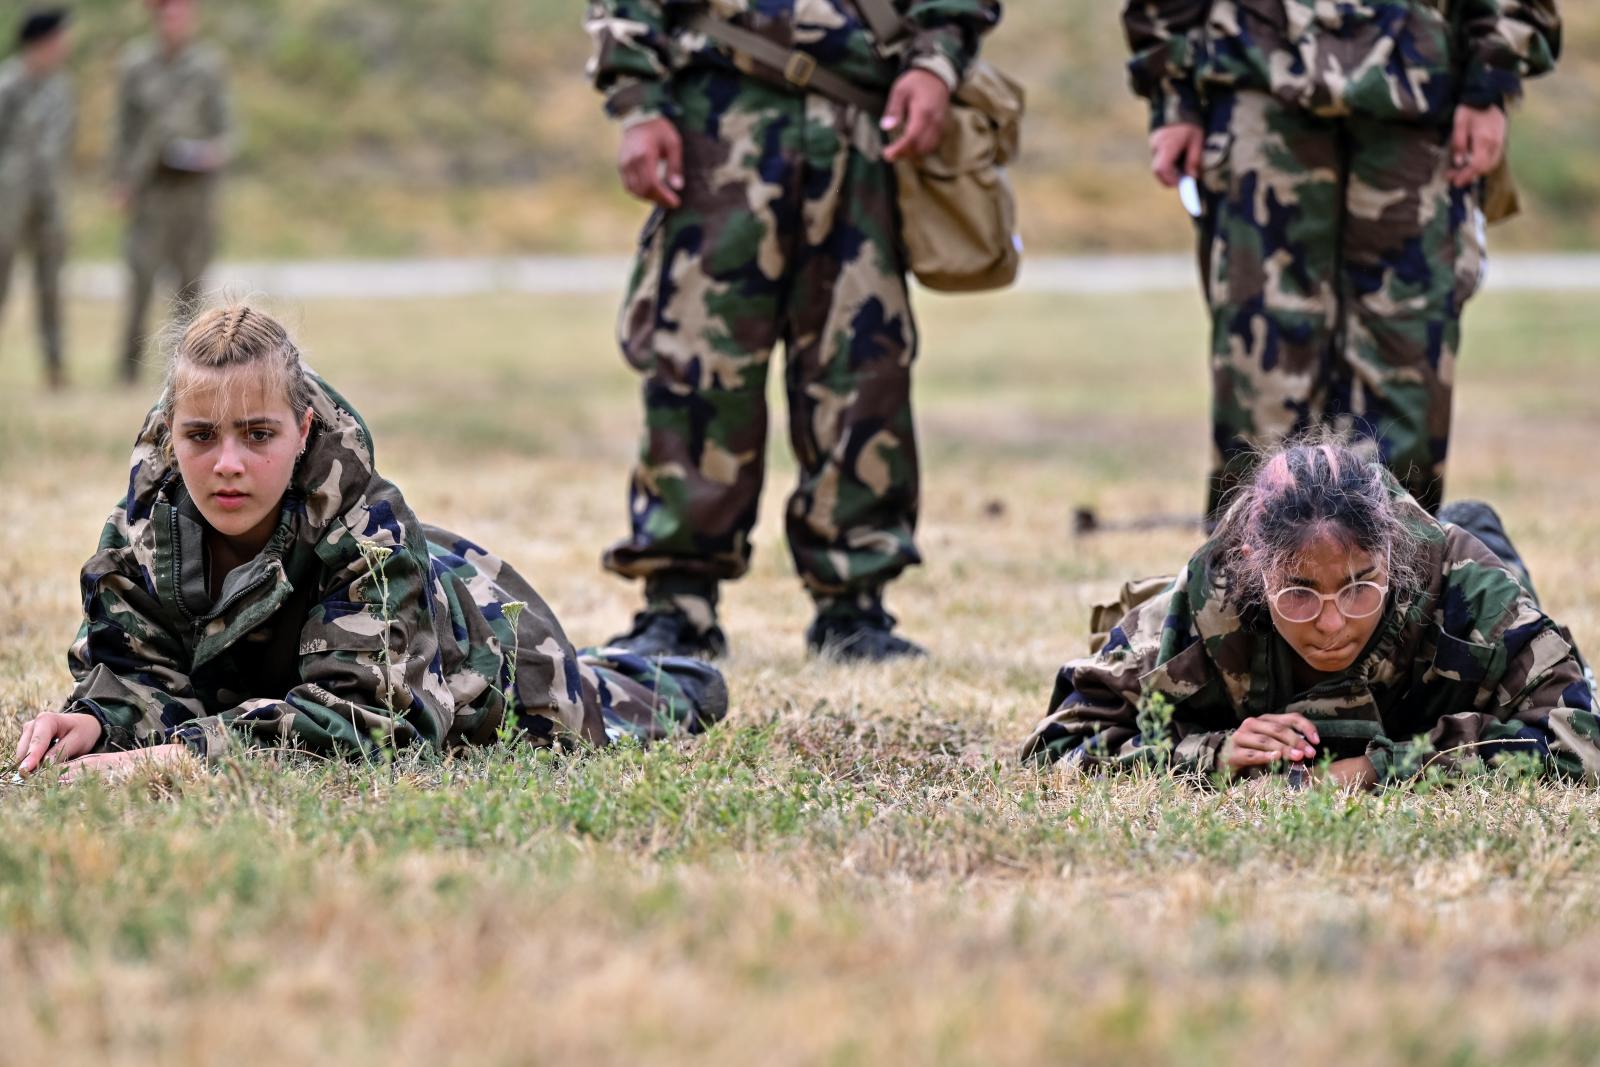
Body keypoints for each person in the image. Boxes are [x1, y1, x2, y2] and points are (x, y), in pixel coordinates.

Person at [13, 305, 727, 779]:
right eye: (201, 436)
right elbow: (136, 668)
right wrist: (97, 719)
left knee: (600, 703)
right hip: (292, 667)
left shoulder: (369, 533)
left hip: (474, 648)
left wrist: (178, 756)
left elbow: (369, 720)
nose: (227, 462)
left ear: (304, 431)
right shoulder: (142, 528)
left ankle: (671, 672)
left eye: (258, 434)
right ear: (174, 435)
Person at [585, 0, 1001, 662]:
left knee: (863, 368)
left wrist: (937, 61)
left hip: (862, 121)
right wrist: (638, 99)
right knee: (699, 365)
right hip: (717, 114)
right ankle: (678, 600)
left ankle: (854, 606)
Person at [1125, 0, 1562, 521]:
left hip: (1419, 84)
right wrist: (1172, 95)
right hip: (1257, 73)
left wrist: (1492, 77)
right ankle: (1245, 585)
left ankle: (1395, 582)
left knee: (1405, 362)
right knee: (1261, 362)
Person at [1019, 439, 1598, 787]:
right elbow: (1057, 746)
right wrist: (1210, 754)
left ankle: (1479, 522)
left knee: (1508, 582)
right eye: (1298, 592)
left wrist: (1390, 766)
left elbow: (1582, 738)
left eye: (1358, 587)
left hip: (1464, 573)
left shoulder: (1466, 591)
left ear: (1390, 556)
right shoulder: (1202, 612)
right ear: (1254, 568)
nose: (1331, 623)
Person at [112, 0, 230, 385]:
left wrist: (215, 151)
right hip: (152, 189)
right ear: (157, 18)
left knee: (192, 283)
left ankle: (187, 373)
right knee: (140, 277)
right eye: (170, 14)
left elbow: (225, 128)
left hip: (194, 192)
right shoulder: (135, 64)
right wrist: (120, 179)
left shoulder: (209, 65)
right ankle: (128, 367)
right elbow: (123, 129)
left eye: (184, 14)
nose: (177, 22)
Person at [0, 8, 74, 391]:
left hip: (48, 199)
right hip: (8, 200)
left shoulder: (60, 88)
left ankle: (55, 365)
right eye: (60, 38)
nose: (66, 45)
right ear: (40, 43)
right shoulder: (8, 84)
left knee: (51, 283)